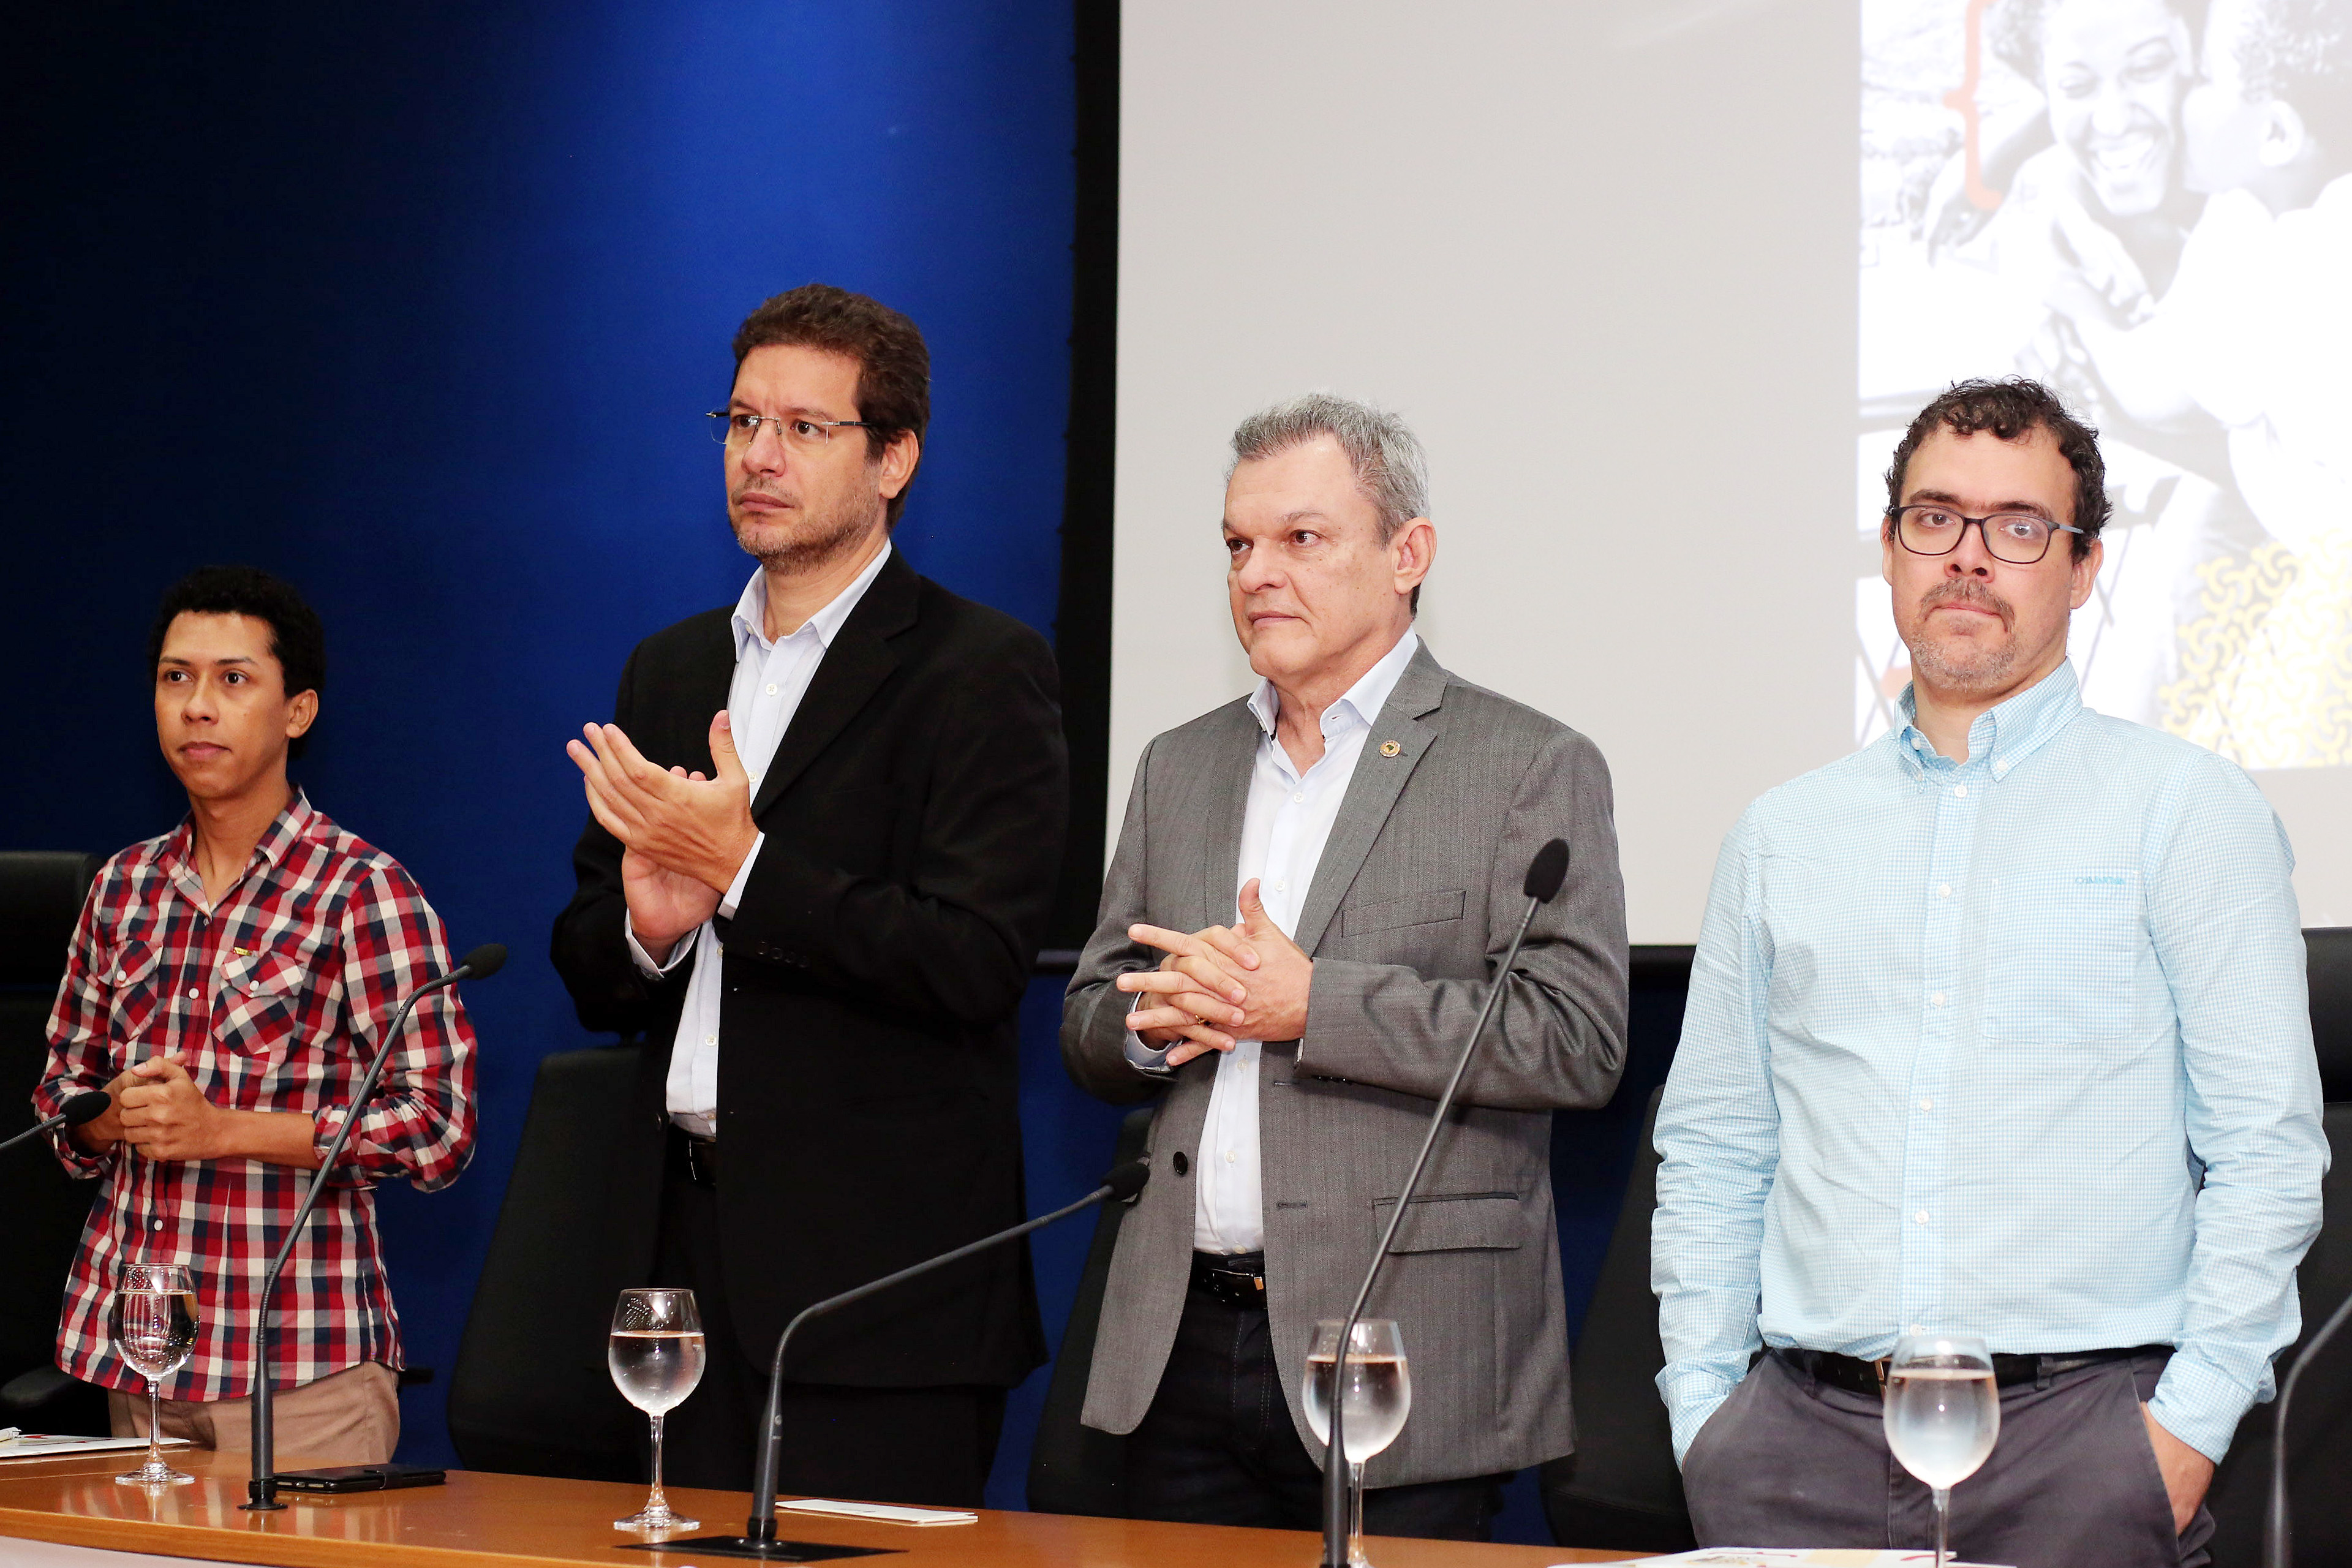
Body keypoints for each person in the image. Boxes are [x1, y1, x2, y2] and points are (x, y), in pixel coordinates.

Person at [1653, 378, 2328, 1568]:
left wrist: (2181, 1435)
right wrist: (1706, 1412)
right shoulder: (1780, 835)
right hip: (1797, 1444)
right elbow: (1716, 1147)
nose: (1968, 557)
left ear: (2084, 565)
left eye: (2018, 526)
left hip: (2082, 1446)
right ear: (1888, 547)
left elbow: (2266, 1151)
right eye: (1935, 519)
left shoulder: (2186, 810)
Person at [1062, 393, 1628, 1539]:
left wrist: (1314, 1003)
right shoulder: (1180, 765)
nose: (1257, 573)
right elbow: (1088, 1015)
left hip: (1399, 1344)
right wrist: (1156, 1023)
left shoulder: (1527, 763)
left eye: (1302, 538)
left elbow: (1575, 1039)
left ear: (1407, 556)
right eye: (1238, 544)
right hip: (1180, 1341)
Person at [551, 283, 1067, 1507]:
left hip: (875, 1295)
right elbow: (589, 961)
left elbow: (976, 959)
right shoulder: (673, 666)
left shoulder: (979, 670)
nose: (759, 456)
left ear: (895, 459)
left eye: (803, 428)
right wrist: (649, 931)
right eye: (741, 422)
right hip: (675, 1266)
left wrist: (746, 872)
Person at [34, 565, 478, 1466]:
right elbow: (59, 1100)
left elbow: (439, 1129)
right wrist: (104, 1120)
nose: (198, 706)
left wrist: (224, 1130)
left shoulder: (363, 891)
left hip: (299, 1368)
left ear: (298, 711)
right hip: (138, 1358)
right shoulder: (121, 887)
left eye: (233, 679)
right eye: (176, 678)